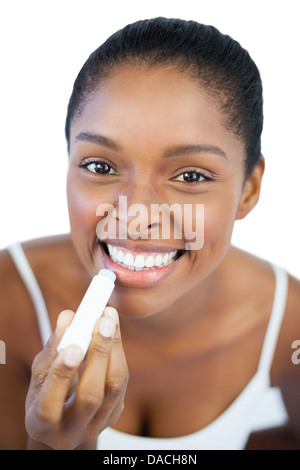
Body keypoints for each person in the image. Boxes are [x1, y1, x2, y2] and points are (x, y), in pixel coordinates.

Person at [0, 17, 299, 451]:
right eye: (100, 167)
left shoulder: (289, 327)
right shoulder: (8, 300)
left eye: (191, 175)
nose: (135, 218)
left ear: (249, 188)